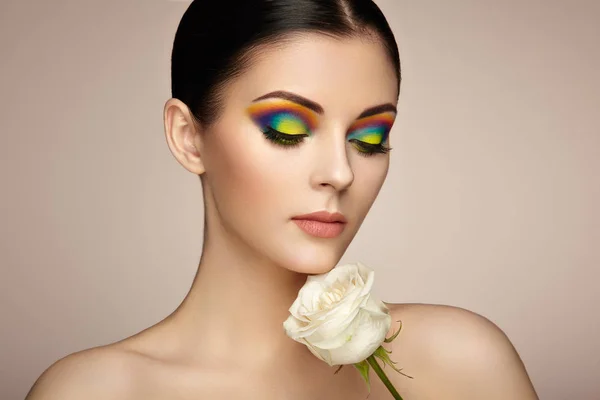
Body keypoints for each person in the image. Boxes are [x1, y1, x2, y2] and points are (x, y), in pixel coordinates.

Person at [25, 0, 539, 399]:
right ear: (188, 135)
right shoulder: (96, 391)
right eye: (287, 129)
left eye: (369, 138)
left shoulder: (462, 361)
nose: (340, 172)